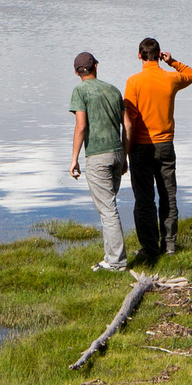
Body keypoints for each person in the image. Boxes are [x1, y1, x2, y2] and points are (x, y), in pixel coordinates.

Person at [121, 37, 192, 260]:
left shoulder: (133, 81)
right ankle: (170, 245)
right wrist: (172, 62)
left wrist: (126, 152)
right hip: (165, 146)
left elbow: (130, 119)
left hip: (140, 147)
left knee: (144, 199)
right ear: (159, 54)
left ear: (139, 55)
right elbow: (191, 74)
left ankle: (150, 247)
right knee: (168, 196)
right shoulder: (170, 78)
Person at [66, 50, 130, 272]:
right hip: (117, 153)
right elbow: (128, 125)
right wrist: (124, 156)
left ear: (76, 72)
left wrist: (74, 159)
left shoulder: (80, 91)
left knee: (108, 210)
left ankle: (117, 262)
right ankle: (110, 257)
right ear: (96, 66)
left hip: (97, 156)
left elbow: (81, 126)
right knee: (108, 206)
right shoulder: (113, 90)